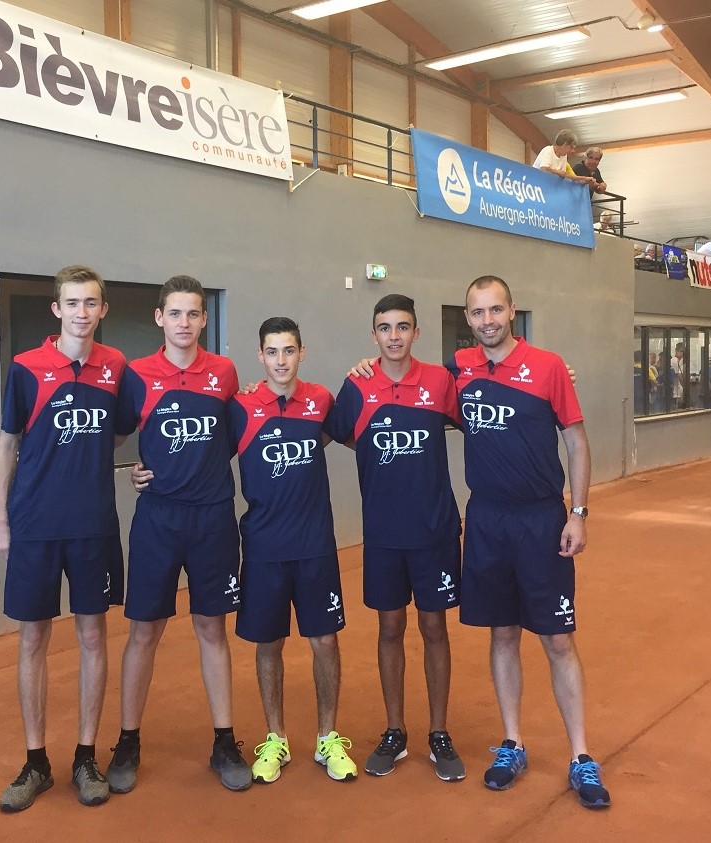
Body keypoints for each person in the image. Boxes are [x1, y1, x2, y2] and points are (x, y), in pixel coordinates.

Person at [453, 275, 609, 809]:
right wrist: (367, 364)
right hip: (487, 520)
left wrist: (579, 513)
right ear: (468, 318)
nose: (488, 321)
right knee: (502, 633)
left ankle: (581, 756)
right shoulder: (460, 368)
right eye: (478, 312)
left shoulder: (548, 367)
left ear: (512, 311)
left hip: (542, 520)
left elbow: (577, 442)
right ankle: (512, 743)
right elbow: (412, 380)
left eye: (496, 310)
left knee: (558, 639)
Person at [0, 265, 134, 812]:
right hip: (34, 524)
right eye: (72, 303)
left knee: (93, 636)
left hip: (93, 523)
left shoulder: (116, 366)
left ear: (103, 310)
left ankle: (85, 758)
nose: (81, 312)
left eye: (91, 303)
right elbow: (8, 442)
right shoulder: (26, 367)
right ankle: (35, 762)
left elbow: (120, 430)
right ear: (57, 309)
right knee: (33, 639)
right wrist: (1, 517)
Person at [108, 275, 251, 792]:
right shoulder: (138, 374)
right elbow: (117, 434)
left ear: (204, 319)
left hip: (212, 518)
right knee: (144, 631)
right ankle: (127, 741)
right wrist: (132, 469)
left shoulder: (224, 372)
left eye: (193, 313)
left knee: (212, 629)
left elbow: (231, 436)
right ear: (159, 318)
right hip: (158, 520)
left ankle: (224, 741)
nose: (184, 323)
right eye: (175, 313)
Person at [325, 294, 466, 783]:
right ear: (374, 335)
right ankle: (395, 731)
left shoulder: (440, 381)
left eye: (402, 326)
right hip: (384, 533)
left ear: (416, 333)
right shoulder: (357, 385)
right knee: (389, 628)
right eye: (385, 327)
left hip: (435, 531)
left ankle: (439, 733)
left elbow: (480, 414)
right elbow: (334, 431)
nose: (394, 336)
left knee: (434, 628)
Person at [228, 317, 357, 784]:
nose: (281, 360)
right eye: (272, 352)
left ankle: (327, 738)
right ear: (260, 356)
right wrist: (148, 471)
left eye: (288, 351)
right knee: (269, 643)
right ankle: (276, 739)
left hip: (315, 545)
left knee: (325, 641)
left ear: (302, 353)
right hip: (263, 547)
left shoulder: (321, 400)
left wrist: (363, 369)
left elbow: (352, 434)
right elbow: (200, 456)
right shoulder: (240, 406)